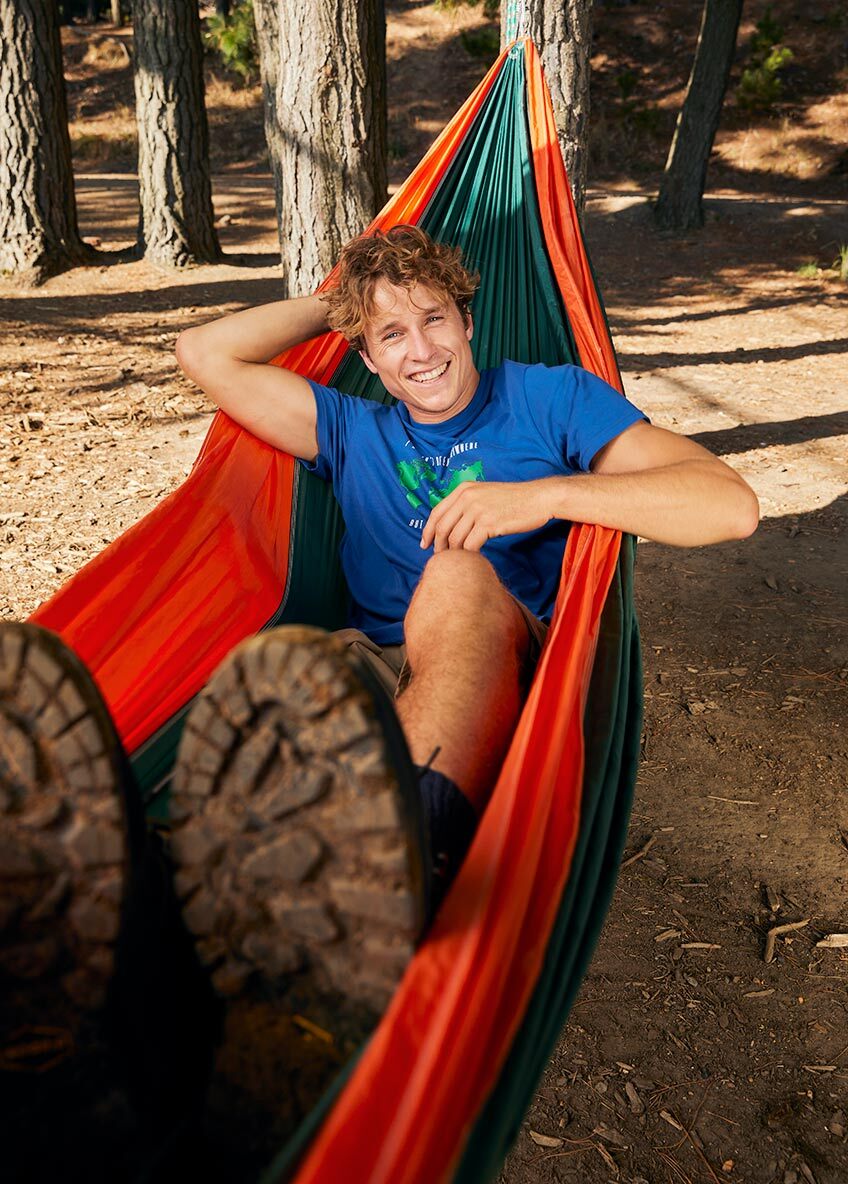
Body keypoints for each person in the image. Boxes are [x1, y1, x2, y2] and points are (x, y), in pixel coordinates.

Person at [0, 225, 758, 1169]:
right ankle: (146, 943)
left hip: (492, 668)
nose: (420, 349)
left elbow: (729, 504)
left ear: (468, 319)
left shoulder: (550, 399)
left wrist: (546, 497)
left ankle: (390, 881)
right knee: (279, 694)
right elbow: (203, 353)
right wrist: (343, 302)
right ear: (365, 354)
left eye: (434, 319)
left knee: (456, 573)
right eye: (391, 335)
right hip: (361, 671)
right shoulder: (351, 429)